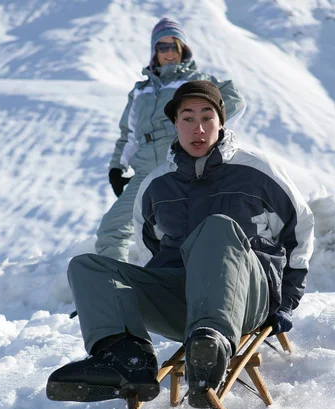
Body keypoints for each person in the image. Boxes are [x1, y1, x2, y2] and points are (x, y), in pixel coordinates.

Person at [47, 81, 314, 409]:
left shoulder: (257, 171)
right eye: (187, 118)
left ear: (221, 121)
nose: (197, 128)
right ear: (175, 124)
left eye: (207, 117)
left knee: (216, 228)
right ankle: (126, 359)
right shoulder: (156, 184)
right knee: (87, 266)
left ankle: (211, 347)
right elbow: (149, 254)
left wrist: (287, 300)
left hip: (245, 298)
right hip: (182, 302)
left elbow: (299, 228)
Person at [96, 17, 245, 263]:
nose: (168, 53)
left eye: (173, 46)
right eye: (161, 47)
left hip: (180, 166)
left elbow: (234, 100)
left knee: (185, 232)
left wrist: (197, 130)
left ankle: (199, 285)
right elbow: (129, 134)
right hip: (144, 172)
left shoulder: (193, 80)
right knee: (111, 229)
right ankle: (115, 290)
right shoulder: (140, 90)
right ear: (154, 52)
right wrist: (116, 167)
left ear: (182, 50)